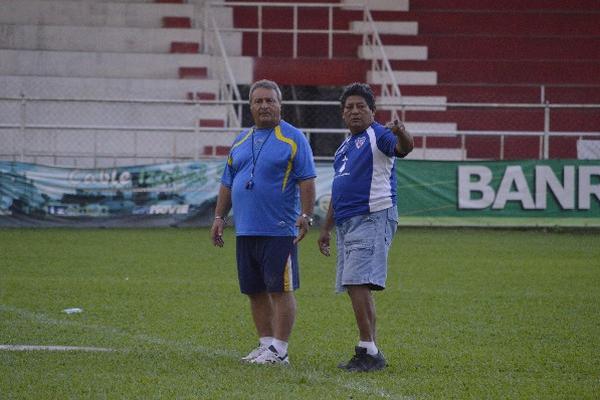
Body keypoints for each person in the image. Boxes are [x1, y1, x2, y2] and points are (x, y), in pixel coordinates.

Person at [210, 79, 316, 365]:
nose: (264, 105)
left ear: (280, 104)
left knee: (280, 289)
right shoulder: (241, 140)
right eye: (259, 101)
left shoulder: (294, 138)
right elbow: (227, 182)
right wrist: (220, 216)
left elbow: (307, 180)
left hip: (279, 230)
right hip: (245, 229)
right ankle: (266, 344)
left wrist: (306, 215)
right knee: (254, 290)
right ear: (250, 106)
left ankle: (280, 350)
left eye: (270, 100)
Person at [317, 82, 414, 372]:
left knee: (357, 282)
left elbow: (404, 149)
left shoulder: (380, 134)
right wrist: (325, 229)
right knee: (354, 284)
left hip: (373, 215)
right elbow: (338, 189)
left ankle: (368, 350)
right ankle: (369, 349)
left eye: (361, 106)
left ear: (373, 111)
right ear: (343, 115)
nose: (355, 111)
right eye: (349, 107)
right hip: (348, 222)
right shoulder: (344, 147)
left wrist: (401, 131)